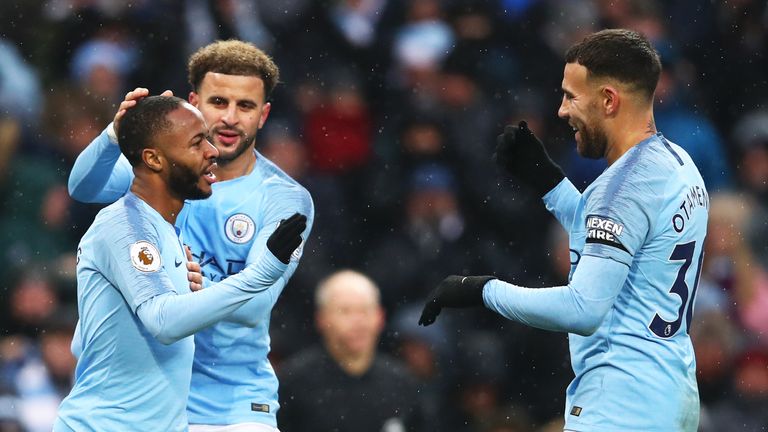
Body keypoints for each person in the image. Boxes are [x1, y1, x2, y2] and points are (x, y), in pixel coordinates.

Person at [418, 29, 708, 431]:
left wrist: (482, 290)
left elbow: (583, 308)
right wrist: (550, 185)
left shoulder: (621, 189)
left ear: (608, 100)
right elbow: (624, 245)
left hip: (619, 404)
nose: (561, 110)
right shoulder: (679, 165)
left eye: (572, 96)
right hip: (668, 390)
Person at [67, 41, 315, 431]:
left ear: (264, 114)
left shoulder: (285, 199)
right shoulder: (164, 174)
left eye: (245, 106)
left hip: (229, 402)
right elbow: (83, 187)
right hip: (147, 390)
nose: (231, 118)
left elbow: (254, 306)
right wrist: (115, 134)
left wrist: (181, 287)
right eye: (219, 102)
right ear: (195, 101)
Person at [278, 270, 421, 431]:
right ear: (321, 319)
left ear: (380, 317)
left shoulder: (401, 382)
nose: (358, 321)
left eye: (365, 310)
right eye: (345, 311)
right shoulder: (293, 381)